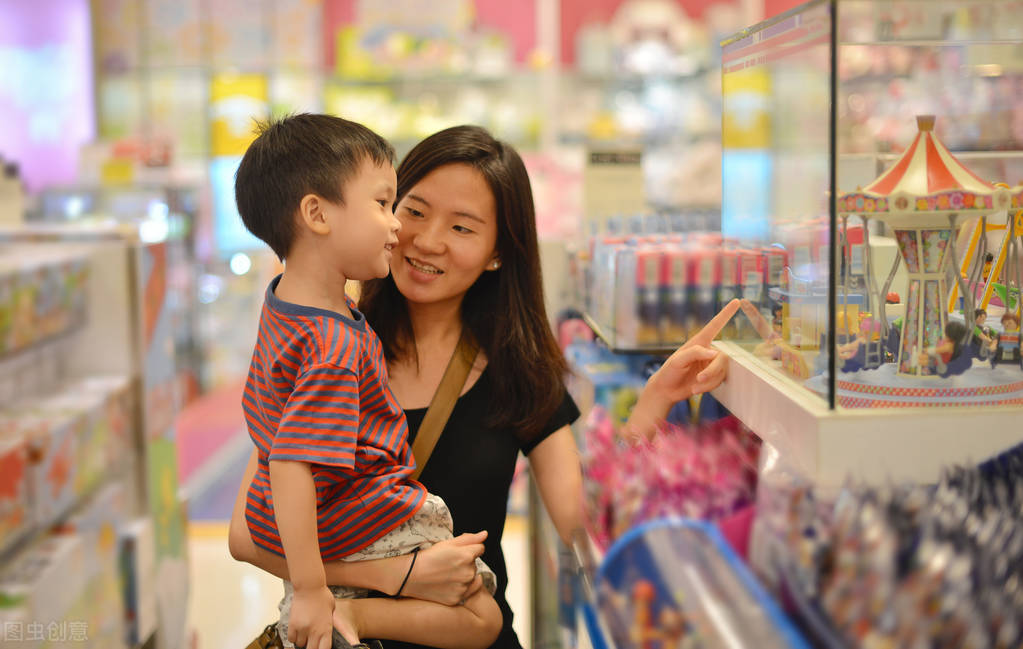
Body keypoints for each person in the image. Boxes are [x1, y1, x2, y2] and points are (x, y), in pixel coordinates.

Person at [230, 124, 739, 648]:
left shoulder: (517, 370)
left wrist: (653, 404)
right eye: (414, 210)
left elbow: (579, 522)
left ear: (499, 252)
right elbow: (247, 537)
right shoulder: (329, 341)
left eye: (463, 228)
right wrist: (396, 576)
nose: (427, 241)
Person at [232, 114, 501, 649]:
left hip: (298, 522)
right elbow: (290, 461)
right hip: (351, 517)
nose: (399, 227)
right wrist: (310, 588)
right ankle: (343, 617)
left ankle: (337, 612)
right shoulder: (333, 345)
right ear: (317, 214)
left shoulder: (286, 301)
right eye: (385, 204)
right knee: (481, 613)